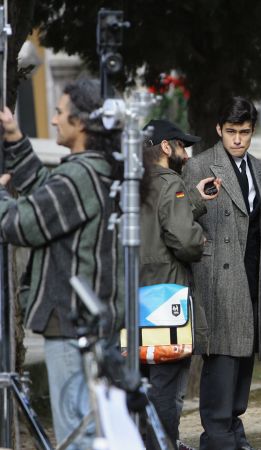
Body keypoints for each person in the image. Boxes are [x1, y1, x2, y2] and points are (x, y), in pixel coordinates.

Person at [0, 79, 123, 449]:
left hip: (70, 323)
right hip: (85, 319)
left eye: (58, 112)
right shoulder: (94, 169)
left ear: (80, 123)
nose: (53, 120)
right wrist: (15, 137)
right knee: (89, 425)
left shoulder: (80, 175)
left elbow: (23, 223)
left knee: (78, 433)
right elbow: (45, 192)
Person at [182, 97, 261, 450]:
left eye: (246, 132)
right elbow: (182, 219)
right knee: (222, 356)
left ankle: (232, 425)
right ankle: (218, 431)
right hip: (218, 277)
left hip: (253, 272)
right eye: (232, 132)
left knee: (244, 353)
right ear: (219, 130)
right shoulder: (200, 166)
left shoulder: (258, 168)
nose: (238, 139)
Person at [139, 119, 220, 450]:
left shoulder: (131, 186)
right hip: (166, 300)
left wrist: (194, 201)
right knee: (167, 387)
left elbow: (157, 224)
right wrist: (199, 236)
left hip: (134, 300)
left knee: (140, 384)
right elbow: (184, 241)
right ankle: (165, 444)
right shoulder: (170, 183)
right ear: (165, 147)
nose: (186, 154)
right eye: (181, 145)